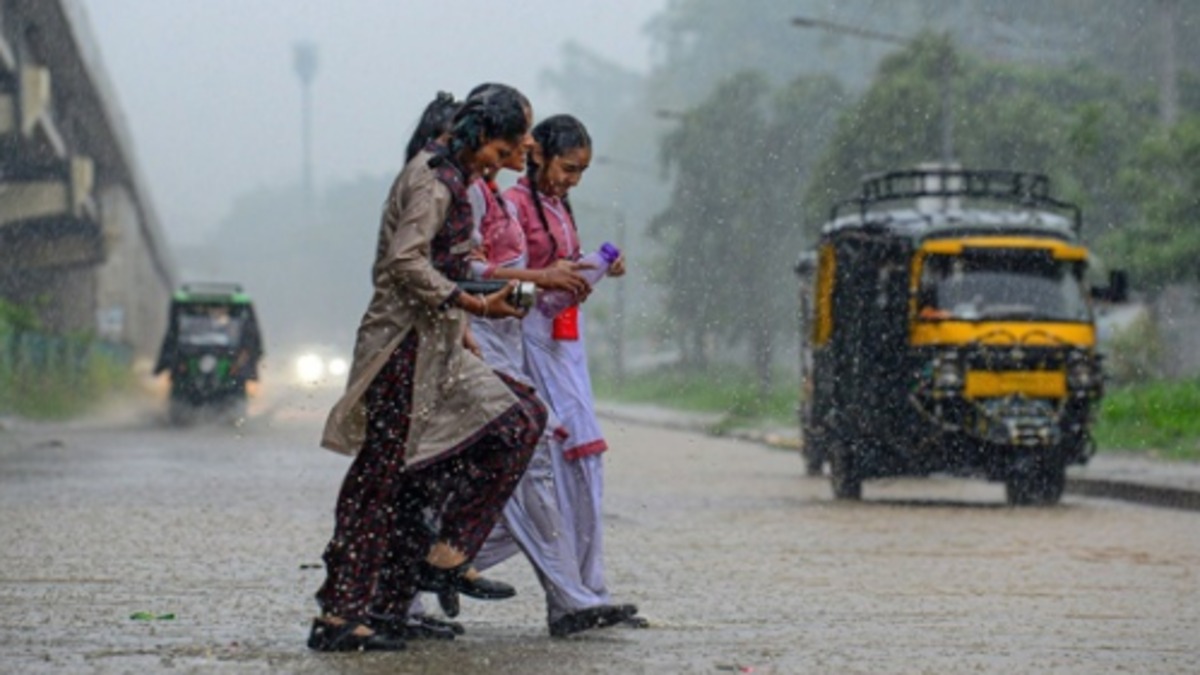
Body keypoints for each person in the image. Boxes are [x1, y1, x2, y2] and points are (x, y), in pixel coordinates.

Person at [308, 86, 547, 653]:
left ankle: (431, 568)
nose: (509, 158)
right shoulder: (433, 180)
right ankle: (340, 614)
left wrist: (481, 303)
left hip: (438, 343)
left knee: (516, 420)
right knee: (382, 478)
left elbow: (452, 261)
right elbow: (403, 261)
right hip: (401, 349)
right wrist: (472, 305)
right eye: (507, 146)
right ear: (480, 137)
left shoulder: (459, 180)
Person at [504, 114, 649, 632]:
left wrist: (597, 264)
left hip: (566, 344)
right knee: (556, 466)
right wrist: (548, 279)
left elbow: (558, 272)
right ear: (536, 152)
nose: (573, 180)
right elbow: (500, 281)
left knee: (581, 469)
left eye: (581, 171)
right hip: (528, 345)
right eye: (568, 168)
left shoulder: (556, 206)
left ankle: (587, 592)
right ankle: (572, 597)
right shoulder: (513, 207)